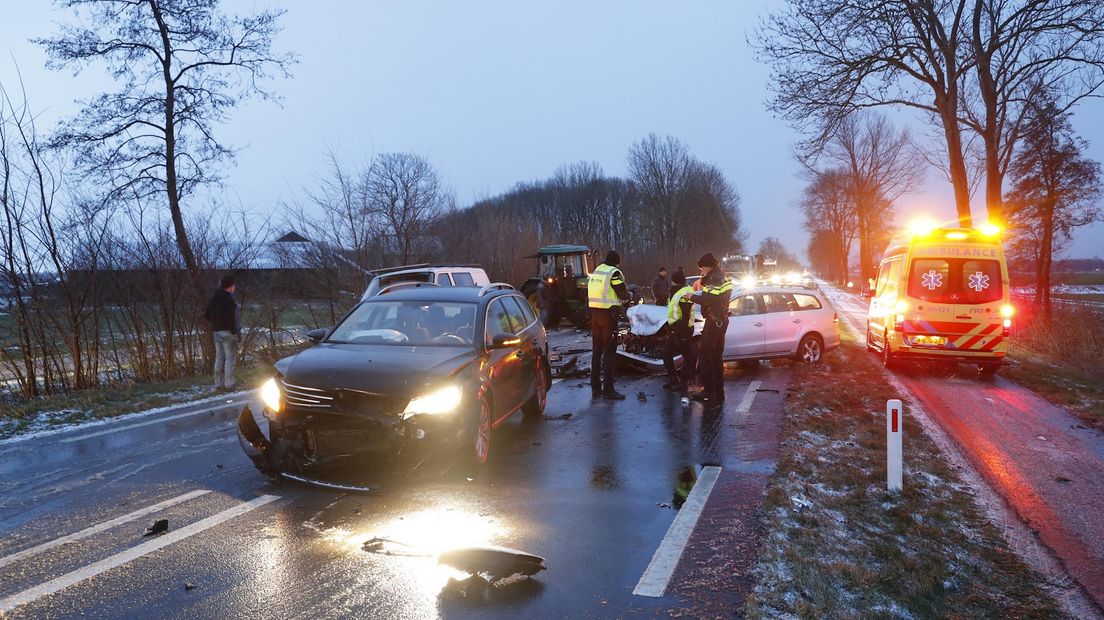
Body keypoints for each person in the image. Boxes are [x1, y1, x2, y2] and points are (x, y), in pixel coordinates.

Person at [690, 253, 732, 404]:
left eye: (702, 268)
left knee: (705, 355)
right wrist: (704, 278)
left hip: (714, 321)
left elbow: (708, 299)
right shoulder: (722, 276)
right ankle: (718, 392)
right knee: (715, 357)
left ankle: (708, 390)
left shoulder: (715, 278)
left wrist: (691, 296)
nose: (702, 270)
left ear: (707, 265)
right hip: (720, 320)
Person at [588, 250, 630, 400]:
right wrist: (629, 296)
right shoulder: (614, 273)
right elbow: (622, 293)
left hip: (595, 315)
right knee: (609, 352)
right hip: (608, 316)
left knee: (597, 350)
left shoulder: (597, 270)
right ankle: (608, 390)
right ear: (617, 262)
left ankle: (595, 388)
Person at [205, 275, 240, 392]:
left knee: (219, 357)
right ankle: (229, 384)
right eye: (233, 285)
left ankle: (218, 384)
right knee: (230, 359)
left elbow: (207, 315)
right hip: (228, 333)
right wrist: (234, 332)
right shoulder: (229, 300)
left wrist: (216, 324)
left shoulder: (213, 299)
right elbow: (232, 318)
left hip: (216, 332)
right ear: (229, 287)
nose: (234, 288)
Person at [662, 269, 695, 393]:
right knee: (666, 352)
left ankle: (684, 383)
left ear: (675, 281)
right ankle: (673, 379)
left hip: (683, 329)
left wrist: (680, 330)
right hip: (676, 328)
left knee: (687, 356)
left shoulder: (684, 293)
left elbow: (685, 314)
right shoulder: (677, 292)